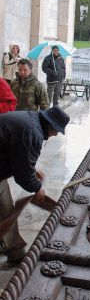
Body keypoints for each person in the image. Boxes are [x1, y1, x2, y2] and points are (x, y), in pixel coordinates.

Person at [0, 106, 70, 262]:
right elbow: (23, 175)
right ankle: (15, 251)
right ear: (50, 125)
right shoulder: (33, 132)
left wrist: (32, 168)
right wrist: (37, 188)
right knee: (4, 209)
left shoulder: (32, 118)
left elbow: (20, 154)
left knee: (5, 209)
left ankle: (15, 252)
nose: (56, 134)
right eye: (57, 130)